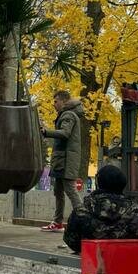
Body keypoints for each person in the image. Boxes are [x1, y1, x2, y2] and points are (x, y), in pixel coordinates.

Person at [40, 90, 84, 232]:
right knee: (58, 191)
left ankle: (84, 221)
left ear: (64, 101)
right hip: (61, 161)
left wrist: (46, 132)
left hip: (66, 161)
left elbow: (65, 133)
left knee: (70, 190)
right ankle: (58, 222)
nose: (54, 104)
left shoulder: (68, 115)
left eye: (56, 101)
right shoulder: (67, 114)